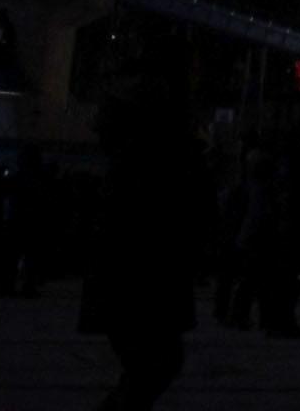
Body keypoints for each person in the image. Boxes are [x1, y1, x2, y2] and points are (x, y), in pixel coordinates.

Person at [81, 28, 209, 411]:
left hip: (137, 262)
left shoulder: (141, 139)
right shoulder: (157, 141)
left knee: (148, 365)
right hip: (145, 265)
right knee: (155, 363)